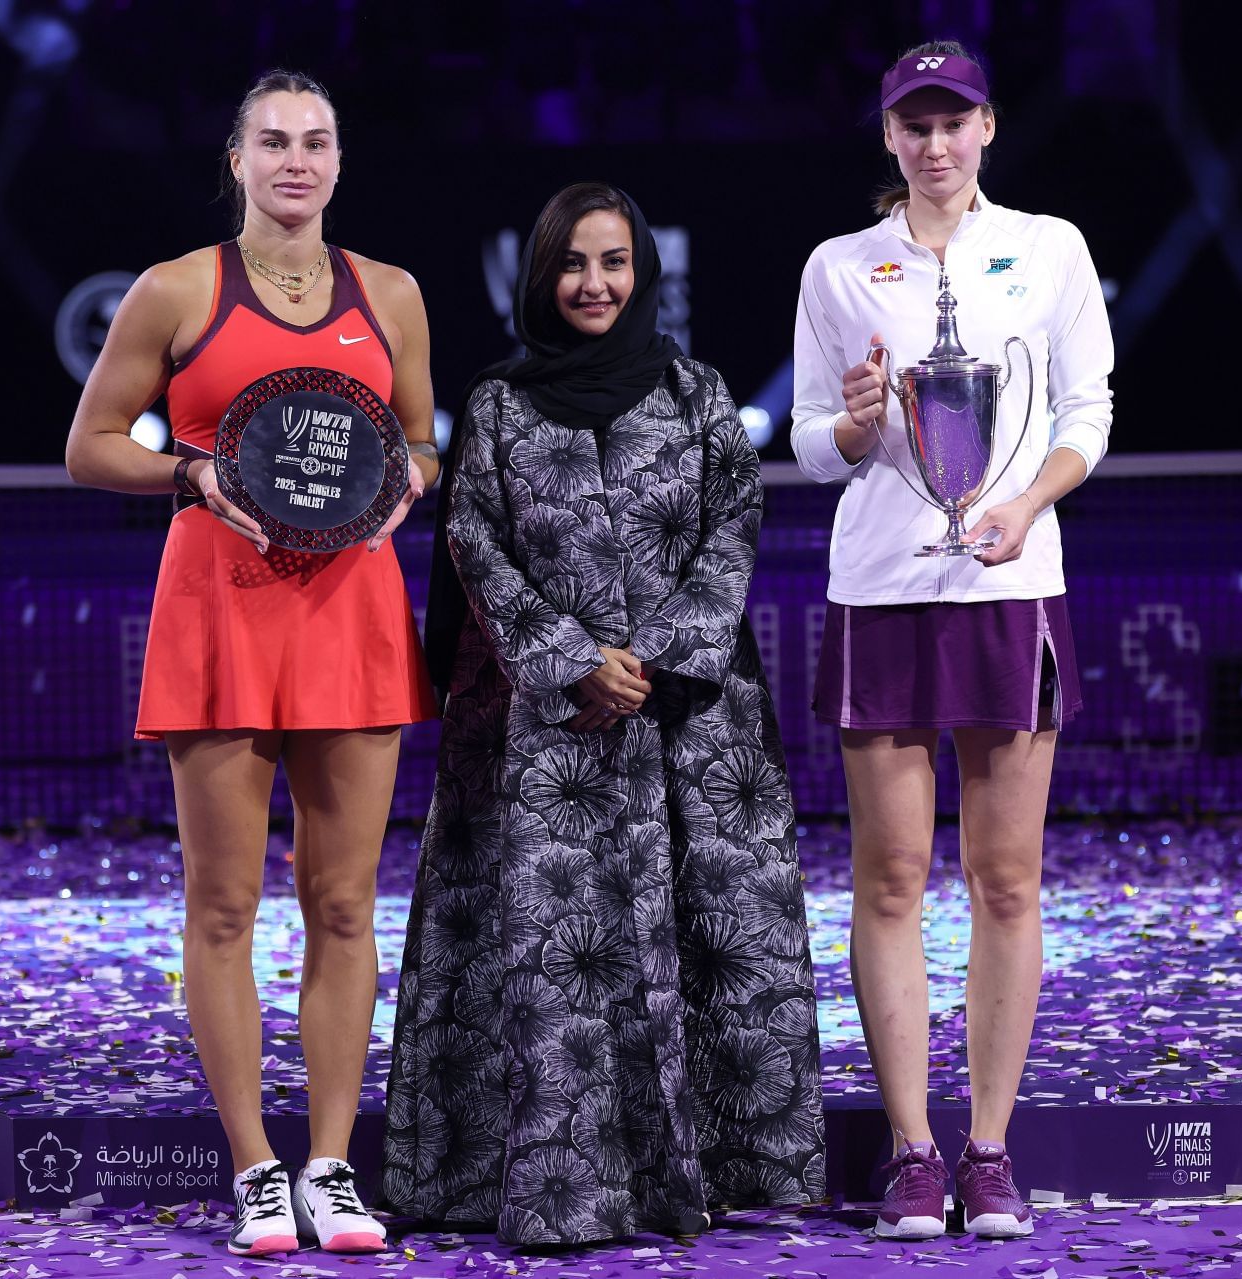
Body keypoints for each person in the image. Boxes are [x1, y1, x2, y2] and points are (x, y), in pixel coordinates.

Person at [383, 182, 824, 1247]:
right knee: (554, 958)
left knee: (702, 940)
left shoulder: (697, 392)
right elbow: (473, 542)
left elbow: (734, 526)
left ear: (644, 272)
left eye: (614, 262)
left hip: (691, 730)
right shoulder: (495, 403)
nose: (594, 284)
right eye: (574, 264)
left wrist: (659, 660)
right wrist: (572, 661)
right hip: (544, 735)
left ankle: (706, 1174)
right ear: (540, 276)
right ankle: (552, 1189)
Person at [63, 69, 439, 1257]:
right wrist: (189, 474)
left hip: (352, 612)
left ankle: (332, 1167)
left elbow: (422, 437)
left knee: (342, 900)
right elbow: (89, 445)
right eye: (273, 142)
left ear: (339, 160)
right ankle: (255, 1170)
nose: (296, 161)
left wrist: (409, 484)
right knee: (222, 906)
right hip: (218, 609)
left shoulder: (393, 294)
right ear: (236, 159)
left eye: (317, 142)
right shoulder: (177, 290)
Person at [789, 41, 1114, 1241]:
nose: (934, 143)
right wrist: (858, 425)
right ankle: (912, 1150)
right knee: (888, 879)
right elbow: (815, 440)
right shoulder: (841, 266)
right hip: (880, 589)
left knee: (1007, 878)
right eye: (912, 125)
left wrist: (1026, 506)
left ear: (988, 128)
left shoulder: (1050, 249)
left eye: (954, 121)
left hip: (1012, 587)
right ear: (888, 138)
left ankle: (989, 1147)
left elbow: (1088, 410)